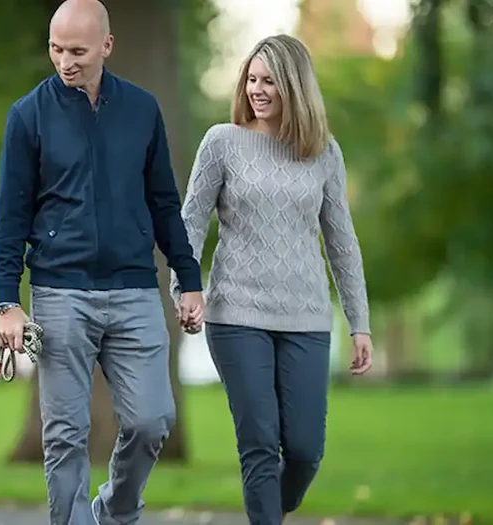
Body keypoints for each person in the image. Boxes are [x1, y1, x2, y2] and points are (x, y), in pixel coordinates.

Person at [0, 0, 205, 523]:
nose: (65, 61)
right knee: (64, 435)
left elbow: (163, 202)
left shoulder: (142, 109)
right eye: (56, 49)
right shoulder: (28, 116)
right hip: (60, 292)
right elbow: (10, 216)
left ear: (106, 46)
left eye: (78, 51)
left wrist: (189, 279)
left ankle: (115, 509)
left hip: (134, 290)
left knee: (153, 421)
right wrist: (4, 301)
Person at [172, 34, 374, 525]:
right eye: (252, 79)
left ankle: (266, 509)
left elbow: (342, 241)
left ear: (295, 88)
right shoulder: (222, 142)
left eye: (269, 82)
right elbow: (190, 222)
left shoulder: (324, 154)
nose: (257, 90)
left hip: (305, 315)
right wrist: (186, 287)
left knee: (305, 450)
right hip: (236, 313)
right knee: (259, 443)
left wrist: (359, 321)